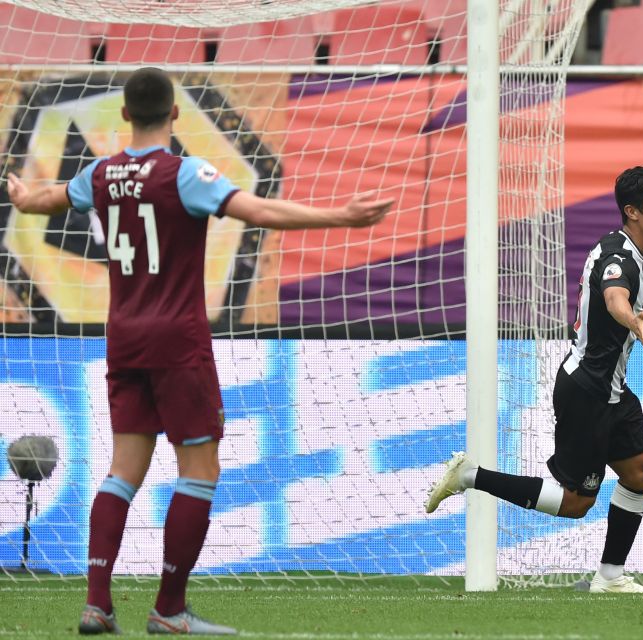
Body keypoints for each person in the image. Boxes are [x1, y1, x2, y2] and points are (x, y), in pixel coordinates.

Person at [6, 67, 393, 635]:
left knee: (121, 472)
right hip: (177, 341)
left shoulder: (101, 173)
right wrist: (343, 216)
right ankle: (168, 609)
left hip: (124, 338)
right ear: (176, 114)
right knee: (200, 469)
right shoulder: (185, 174)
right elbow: (258, 212)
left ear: (125, 115)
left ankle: (96, 604)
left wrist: (20, 192)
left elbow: (43, 201)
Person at [425, 166, 643, 593]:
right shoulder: (620, 259)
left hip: (611, 391)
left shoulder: (625, 246)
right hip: (587, 392)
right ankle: (470, 475)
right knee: (575, 503)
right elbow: (616, 296)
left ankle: (609, 577)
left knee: (640, 473)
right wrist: (634, 320)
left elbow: (638, 282)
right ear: (633, 211)